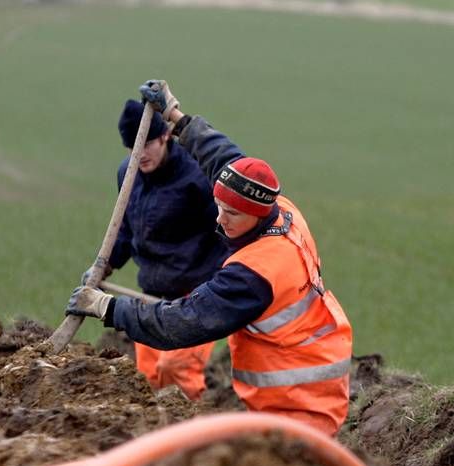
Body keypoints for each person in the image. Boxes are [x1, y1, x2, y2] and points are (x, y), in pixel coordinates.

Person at [68, 80, 353, 436]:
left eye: (231, 215)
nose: (220, 220)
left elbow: (183, 323)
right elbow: (225, 158)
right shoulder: (278, 208)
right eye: (219, 207)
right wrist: (176, 114)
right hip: (300, 373)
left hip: (298, 400)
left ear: (254, 214)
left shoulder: (252, 274)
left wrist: (106, 308)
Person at [84, 99, 228, 400]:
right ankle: (158, 441)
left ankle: (191, 440)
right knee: (148, 381)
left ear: (165, 136)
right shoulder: (129, 174)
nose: (141, 154)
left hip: (196, 297)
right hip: (151, 296)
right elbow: (124, 229)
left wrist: (228, 282)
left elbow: (226, 230)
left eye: (148, 143)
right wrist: (106, 266)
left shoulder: (195, 177)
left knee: (177, 372)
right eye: (133, 147)